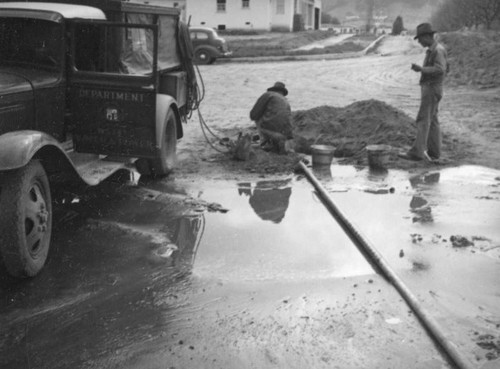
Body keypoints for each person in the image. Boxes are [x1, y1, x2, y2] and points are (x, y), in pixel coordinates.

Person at [399, 23, 448, 163]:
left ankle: (417, 153)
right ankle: (435, 152)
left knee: (423, 120)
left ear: (427, 36)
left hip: (432, 88)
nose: (419, 42)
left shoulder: (437, 50)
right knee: (432, 120)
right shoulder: (436, 50)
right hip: (434, 88)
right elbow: (445, 69)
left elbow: (440, 69)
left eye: (420, 38)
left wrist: (422, 69)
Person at [249, 81, 293, 154]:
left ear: (274, 89)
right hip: (282, 134)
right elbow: (288, 120)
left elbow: (253, 114)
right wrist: (289, 137)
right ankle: (274, 143)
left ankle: (265, 143)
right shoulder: (286, 102)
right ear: (282, 92)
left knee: (257, 118)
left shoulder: (268, 95)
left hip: (268, 129)